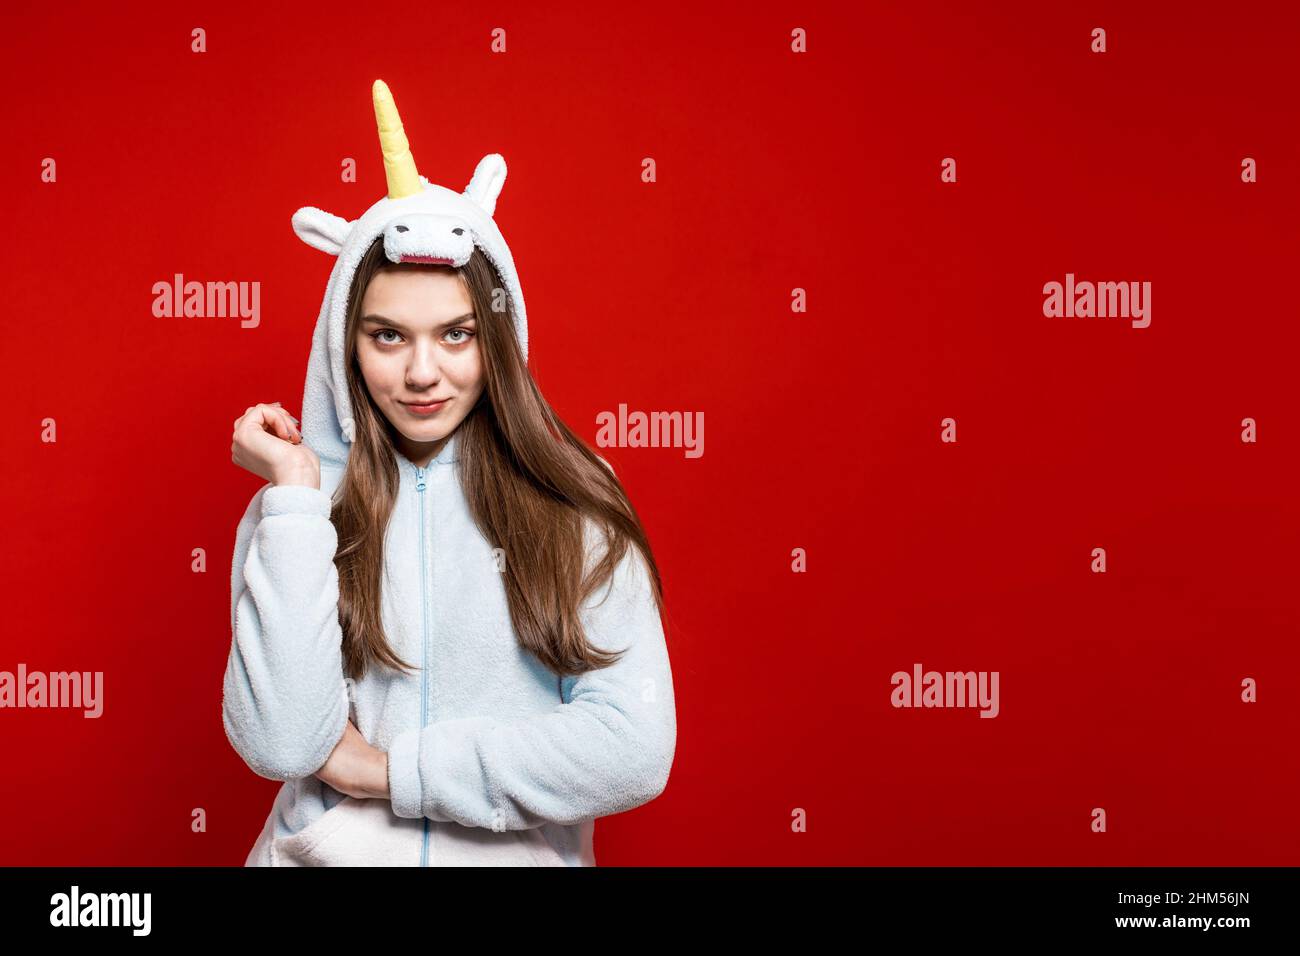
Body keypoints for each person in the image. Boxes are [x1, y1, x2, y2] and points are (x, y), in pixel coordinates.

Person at [221, 80, 676, 866]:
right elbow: (282, 744)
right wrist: (297, 498)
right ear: (345, 347)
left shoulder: (573, 498)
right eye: (388, 336)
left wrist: (391, 774)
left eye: (457, 334)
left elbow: (633, 748)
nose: (423, 373)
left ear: (497, 339)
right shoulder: (295, 511)